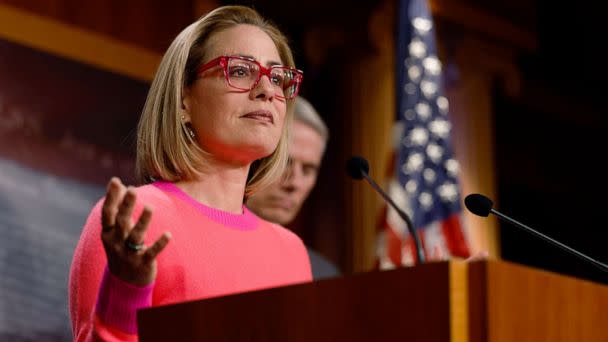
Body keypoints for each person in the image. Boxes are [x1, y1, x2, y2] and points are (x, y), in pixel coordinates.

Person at [68, 6, 312, 341]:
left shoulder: (292, 253)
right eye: (240, 71)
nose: (267, 90)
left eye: (278, 78)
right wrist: (125, 292)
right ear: (184, 99)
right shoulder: (136, 220)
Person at [246, 96, 340, 280]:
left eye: (307, 170)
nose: (294, 183)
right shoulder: (203, 251)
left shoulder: (323, 275)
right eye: (284, 163)